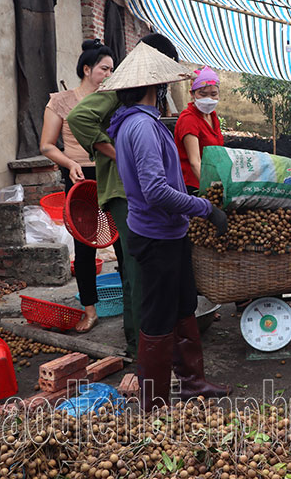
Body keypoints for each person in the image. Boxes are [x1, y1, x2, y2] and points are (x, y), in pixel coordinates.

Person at [104, 42, 230, 410]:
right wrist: (204, 207)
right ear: (153, 88)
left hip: (170, 233)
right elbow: (156, 191)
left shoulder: (142, 122)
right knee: (158, 317)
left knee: (182, 306)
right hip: (156, 236)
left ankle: (193, 383)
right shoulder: (141, 127)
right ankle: (154, 402)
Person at [68, 33, 178, 357]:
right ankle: (146, 351)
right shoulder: (124, 85)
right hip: (122, 191)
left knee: (132, 272)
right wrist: (118, 153)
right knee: (139, 270)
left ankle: (137, 343)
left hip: (128, 190)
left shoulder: (138, 89)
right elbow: (79, 118)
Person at [39, 39, 118, 333]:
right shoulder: (60, 101)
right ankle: (89, 310)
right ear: (87, 69)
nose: (109, 75)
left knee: (122, 241)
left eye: (112, 69)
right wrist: (70, 163)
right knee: (85, 247)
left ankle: (134, 306)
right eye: (104, 69)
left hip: (110, 173)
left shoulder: (114, 99)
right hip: (78, 179)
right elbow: (47, 145)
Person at [174, 66, 224, 195]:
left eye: (213, 94)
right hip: (193, 186)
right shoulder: (189, 119)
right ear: (192, 94)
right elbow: (194, 162)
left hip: (211, 180)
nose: (209, 99)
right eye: (203, 94)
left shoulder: (212, 116)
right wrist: (212, 192)